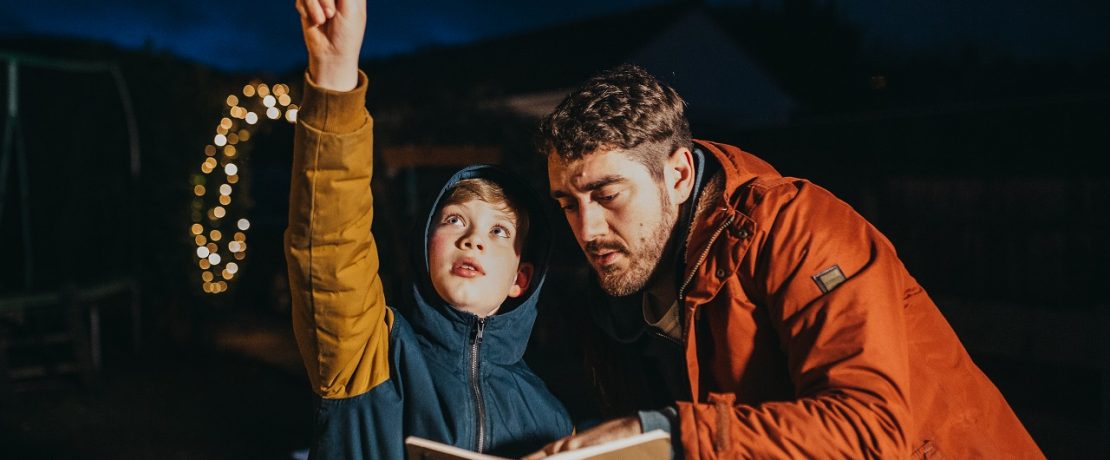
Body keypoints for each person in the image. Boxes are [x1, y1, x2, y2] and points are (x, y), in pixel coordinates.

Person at [529, 64, 1043, 458]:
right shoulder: (620, 288)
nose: (587, 230)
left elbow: (870, 431)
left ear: (680, 175)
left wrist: (664, 431)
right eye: (567, 204)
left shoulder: (799, 228)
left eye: (608, 195)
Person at [286, 0, 571, 458]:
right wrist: (335, 72)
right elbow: (330, 247)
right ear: (426, 247)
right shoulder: (369, 355)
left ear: (522, 279)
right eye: (455, 219)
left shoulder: (551, 418)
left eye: (499, 231)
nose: (472, 237)